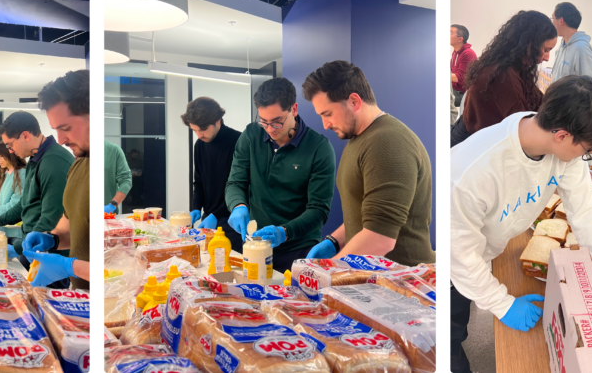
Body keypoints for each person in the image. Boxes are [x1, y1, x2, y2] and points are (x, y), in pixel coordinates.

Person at [449, 76, 592, 373]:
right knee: (451, 335)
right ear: (562, 135)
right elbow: (460, 257)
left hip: (485, 249)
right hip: (445, 264)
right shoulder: (469, 172)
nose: (585, 158)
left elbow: (585, 211)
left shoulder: (561, 149)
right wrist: (502, 304)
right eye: (587, 150)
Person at [302, 61, 437, 267]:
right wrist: (334, 241)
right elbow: (367, 216)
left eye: (327, 114)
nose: (325, 124)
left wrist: (327, 272)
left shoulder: (386, 142)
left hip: (402, 284)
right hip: (374, 278)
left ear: (354, 101)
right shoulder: (360, 137)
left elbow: (379, 238)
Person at [225, 77, 336, 273]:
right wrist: (238, 206)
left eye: (277, 122)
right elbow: (235, 182)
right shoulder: (251, 135)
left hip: (299, 248)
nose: (269, 129)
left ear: (294, 109)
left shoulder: (319, 148)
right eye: (264, 122)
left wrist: (285, 232)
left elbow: (319, 210)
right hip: (256, 245)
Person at [19, 70, 92, 290]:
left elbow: (117, 265)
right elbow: (71, 221)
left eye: (66, 128)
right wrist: (52, 238)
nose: (61, 140)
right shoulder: (78, 166)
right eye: (56, 130)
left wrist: (70, 267)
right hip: (80, 296)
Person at [450, 10, 558, 148]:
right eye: (546, 50)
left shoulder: (515, 66)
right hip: (469, 142)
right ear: (529, 44)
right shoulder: (502, 74)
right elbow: (523, 125)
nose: (547, 58)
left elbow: (539, 102)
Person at [0, 110, 75, 289]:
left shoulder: (53, 162)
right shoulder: (35, 160)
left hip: (51, 254)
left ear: (25, 136)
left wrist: (17, 248)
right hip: (33, 248)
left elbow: (52, 217)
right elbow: (24, 204)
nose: (10, 151)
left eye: (10, 144)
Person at [182, 97, 243, 251]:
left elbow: (243, 187)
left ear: (217, 121)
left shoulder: (239, 141)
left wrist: (217, 214)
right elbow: (199, 181)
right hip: (209, 217)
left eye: (202, 129)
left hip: (232, 220)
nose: (199, 135)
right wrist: (196, 207)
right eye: (194, 130)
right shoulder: (200, 145)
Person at [550, 2, 592, 82]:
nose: (552, 23)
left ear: (561, 21)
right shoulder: (562, 46)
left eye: (553, 18)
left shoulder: (582, 48)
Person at [449, 24, 476, 106]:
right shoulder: (456, 52)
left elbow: (459, 78)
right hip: (454, 89)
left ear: (460, 39)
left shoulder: (468, 54)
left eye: (450, 32)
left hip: (462, 94)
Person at [103, 140, 132, 214]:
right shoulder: (77, 152)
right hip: (78, 217)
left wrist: (113, 205)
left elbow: (126, 180)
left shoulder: (113, 150)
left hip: (107, 216)